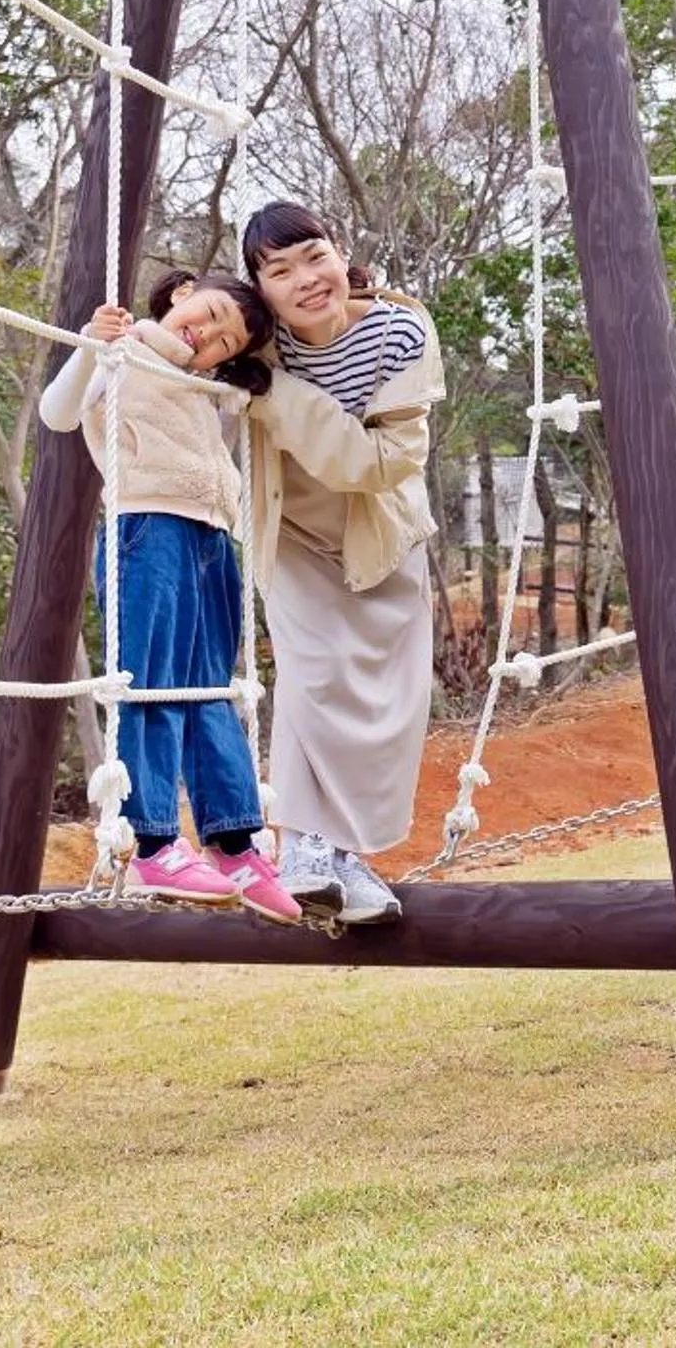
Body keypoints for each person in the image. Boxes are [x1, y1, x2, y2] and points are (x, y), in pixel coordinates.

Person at [39, 268, 301, 923]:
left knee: (212, 689)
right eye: (210, 314)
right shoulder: (123, 350)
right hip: (146, 528)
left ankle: (235, 842)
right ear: (183, 293)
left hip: (211, 539)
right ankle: (155, 842)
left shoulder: (204, 384)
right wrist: (88, 345)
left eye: (225, 342)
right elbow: (58, 413)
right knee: (152, 684)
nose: (209, 335)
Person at [237, 201, 443, 927]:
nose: (304, 280)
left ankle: (344, 860)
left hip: (380, 535)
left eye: (314, 257)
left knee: (390, 706)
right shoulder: (255, 345)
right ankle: (301, 850)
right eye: (279, 270)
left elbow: (386, 464)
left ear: (341, 255)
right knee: (311, 678)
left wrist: (279, 400)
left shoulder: (399, 331)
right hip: (294, 534)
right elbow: (179, 330)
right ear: (258, 287)